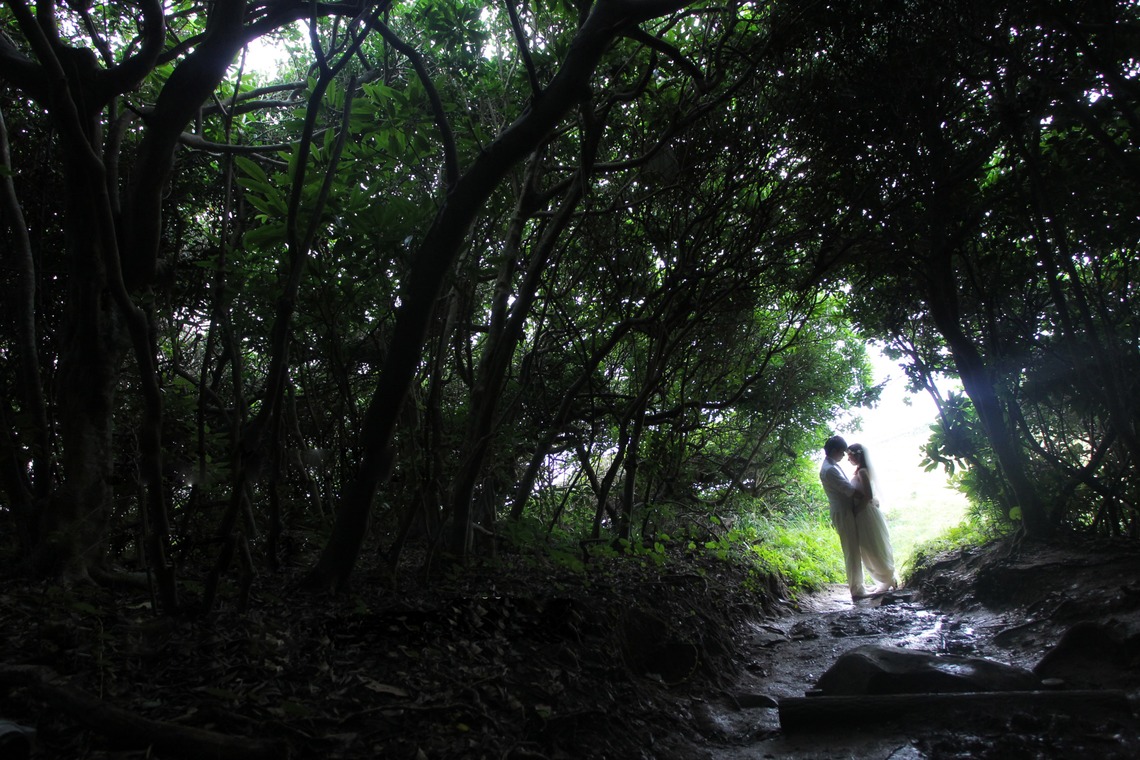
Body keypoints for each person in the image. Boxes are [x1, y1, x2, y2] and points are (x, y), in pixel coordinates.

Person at [846, 442, 899, 593]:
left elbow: (868, 495)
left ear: (857, 456)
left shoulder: (862, 472)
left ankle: (887, 579)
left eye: (850, 456)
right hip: (866, 511)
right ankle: (884, 580)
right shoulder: (861, 471)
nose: (848, 459)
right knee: (869, 546)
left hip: (866, 513)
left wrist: (857, 510)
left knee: (872, 546)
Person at [819, 435, 867, 599]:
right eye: (842, 452)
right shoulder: (830, 469)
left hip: (844, 510)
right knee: (851, 549)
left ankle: (859, 586)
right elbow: (849, 490)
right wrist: (868, 496)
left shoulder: (831, 466)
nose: (844, 456)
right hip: (843, 511)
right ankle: (857, 589)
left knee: (852, 548)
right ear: (834, 451)